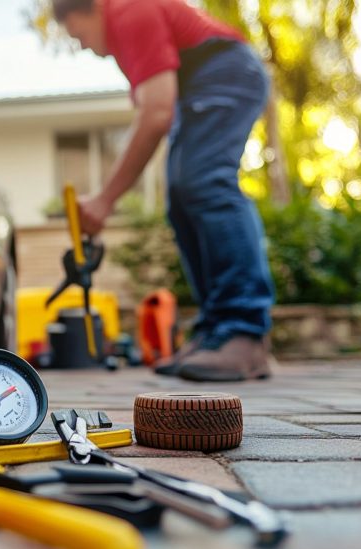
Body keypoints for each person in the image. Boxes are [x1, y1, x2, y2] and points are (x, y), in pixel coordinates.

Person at [52, 0, 275, 382]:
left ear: (93, 9)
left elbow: (157, 114)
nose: (84, 46)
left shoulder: (129, 12)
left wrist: (105, 200)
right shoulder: (124, 38)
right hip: (199, 84)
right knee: (183, 197)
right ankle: (214, 333)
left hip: (227, 71)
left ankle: (244, 330)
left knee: (205, 183)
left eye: (79, 34)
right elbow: (152, 109)